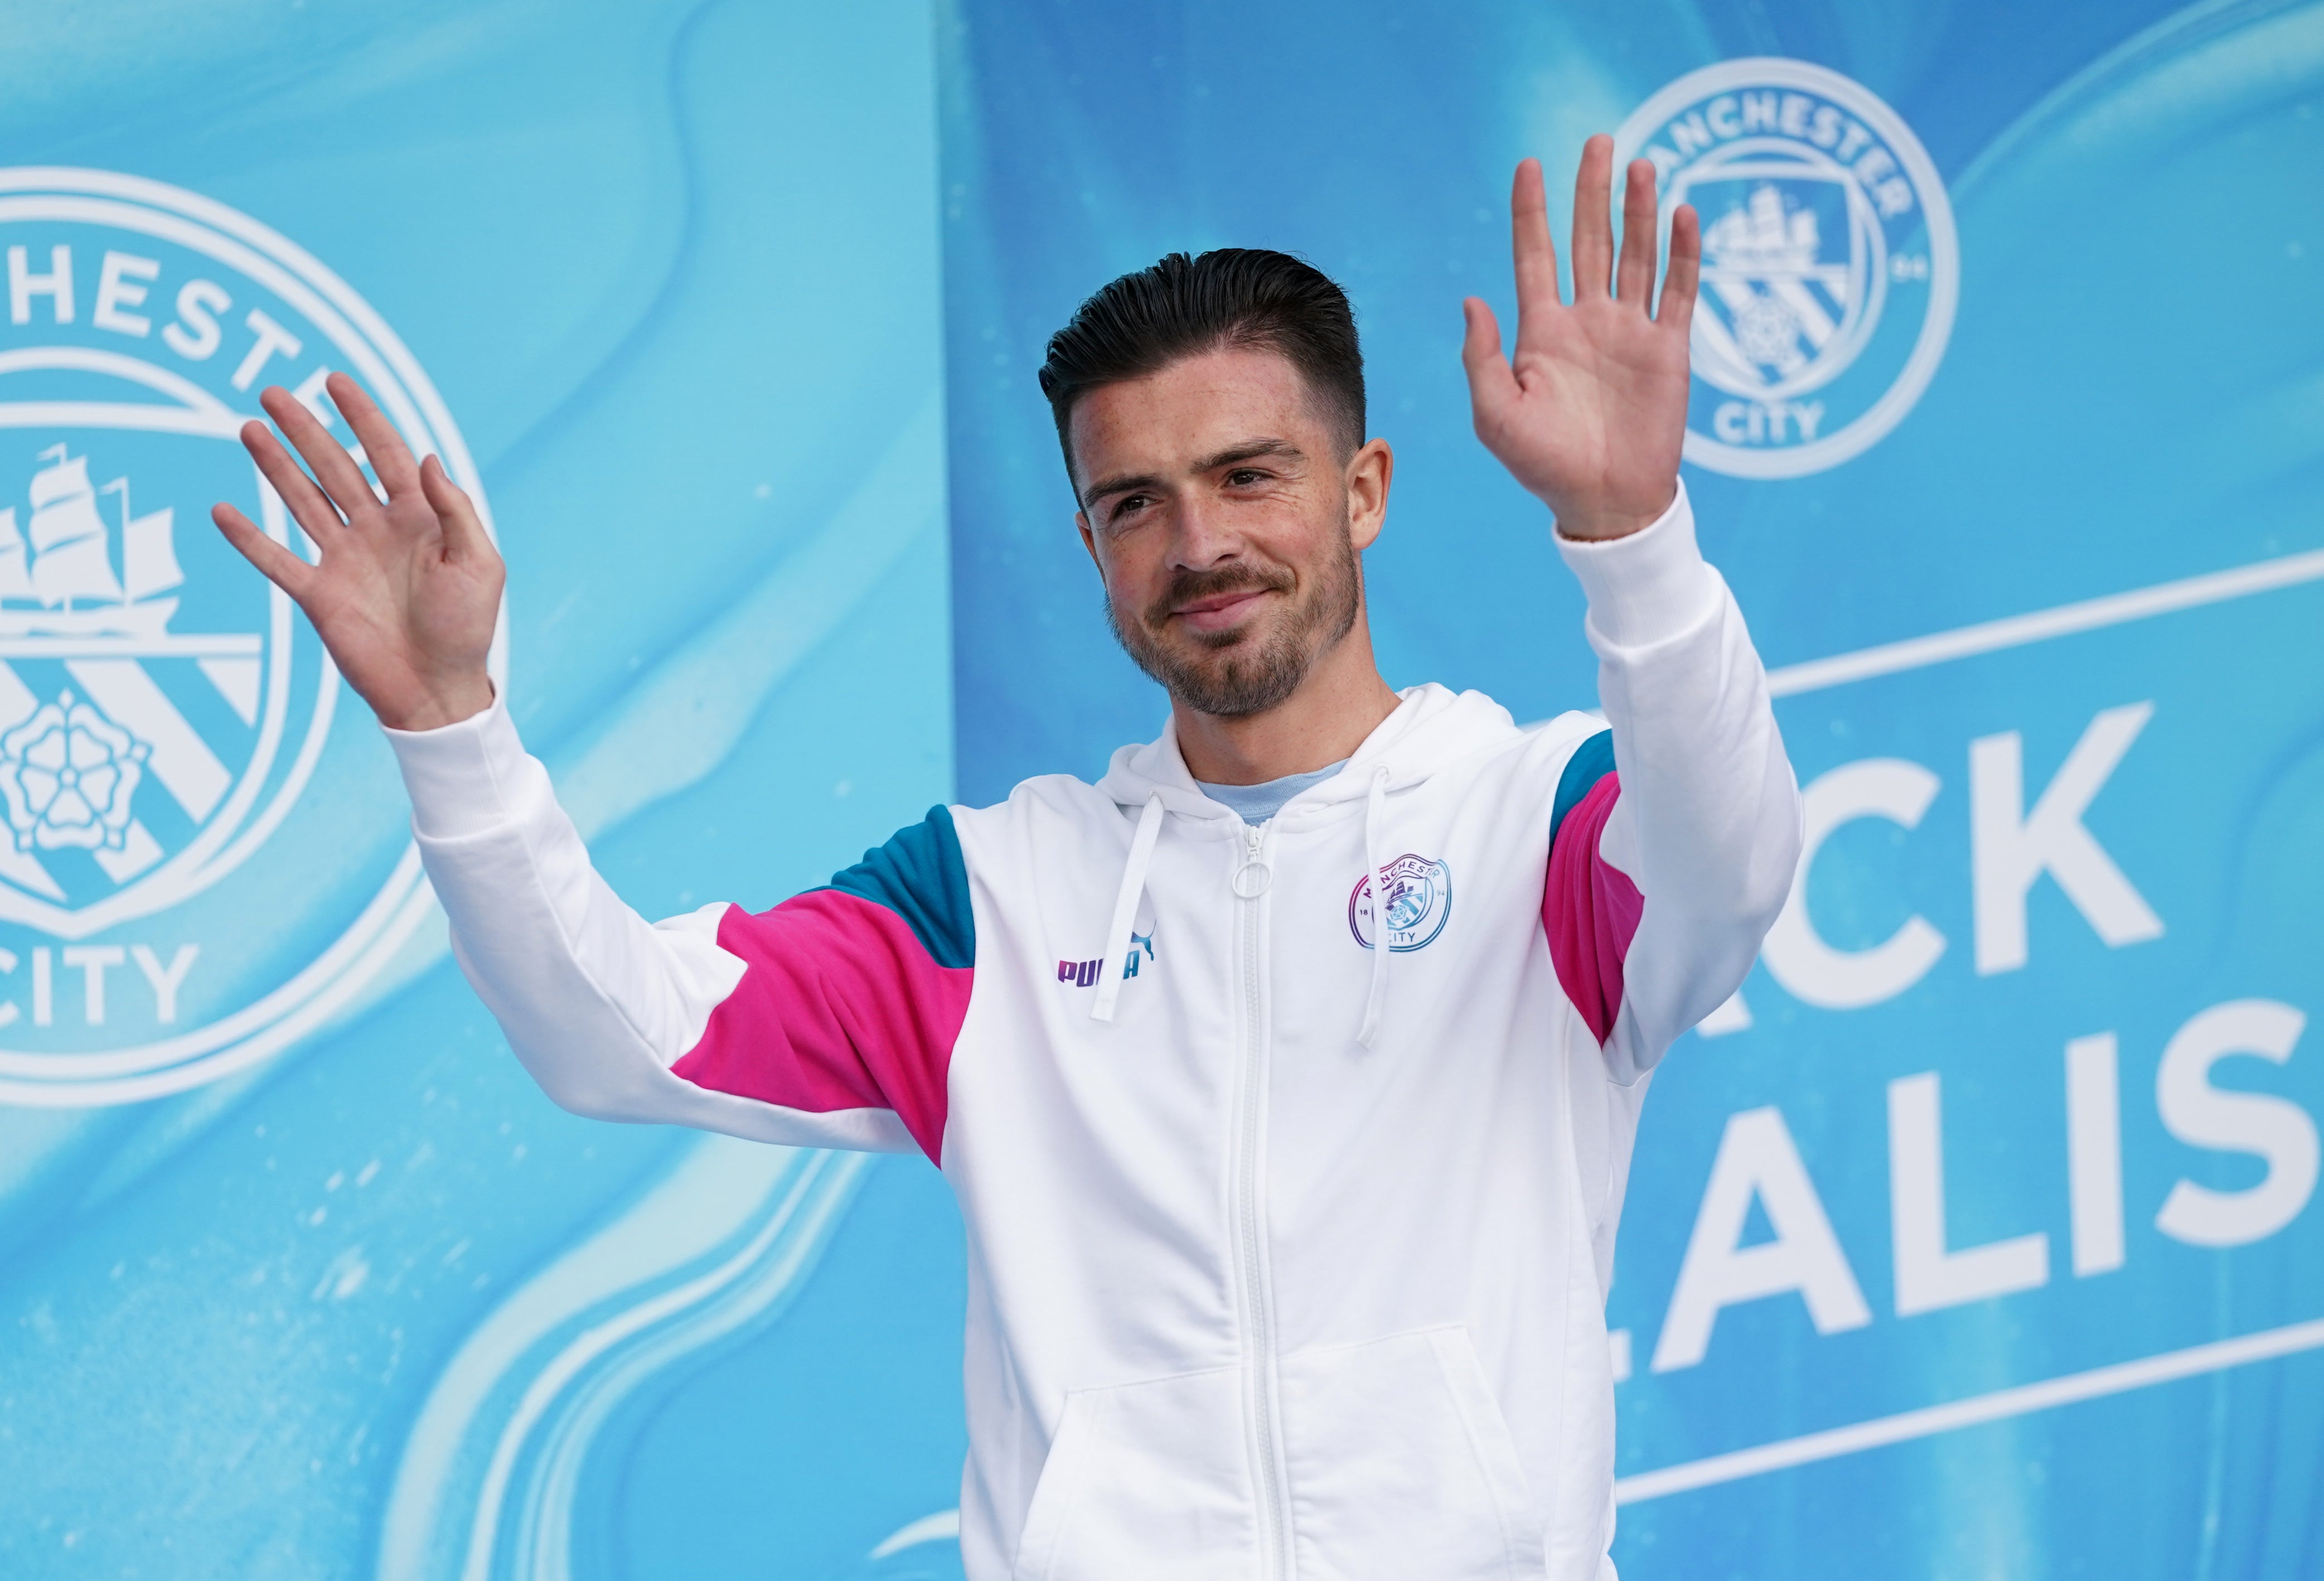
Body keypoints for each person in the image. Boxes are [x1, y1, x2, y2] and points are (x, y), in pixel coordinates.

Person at [215, 141, 1800, 1581]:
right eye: (1135, 502)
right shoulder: (990, 895)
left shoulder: (1537, 821)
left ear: (1362, 489)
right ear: (1092, 545)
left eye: (1251, 475)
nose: (1200, 547)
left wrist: (1634, 533)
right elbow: (609, 1025)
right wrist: (449, 724)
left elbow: (1729, 871)